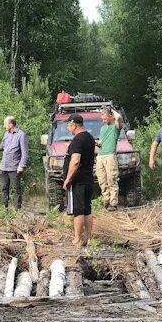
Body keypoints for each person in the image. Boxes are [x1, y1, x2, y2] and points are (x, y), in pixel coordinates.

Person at [0, 116, 29, 210]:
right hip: (4, 166)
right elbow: (2, 146)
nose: (4, 126)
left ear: (11, 124)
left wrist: (21, 165)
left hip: (15, 167)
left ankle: (17, 210)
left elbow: (25, 152)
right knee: (4, 188)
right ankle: (4, 209)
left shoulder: (21, 135)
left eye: (5, 124)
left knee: (16, 189)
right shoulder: (6, 134)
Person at [62, 113, 96, 247]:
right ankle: (89, 239)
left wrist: (68, 179)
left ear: (74, 125)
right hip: (88, 178)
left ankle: (77, 239)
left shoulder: (77, 140)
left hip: (78, 180)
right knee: (87, 209)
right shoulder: (89, 138)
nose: (68, 129)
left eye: (68, 126)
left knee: (78, 210)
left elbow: (75, 161)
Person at [95, 106, 123, 211]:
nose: (103, 120)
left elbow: (119, 118)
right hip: (100, 155)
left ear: (111, 116)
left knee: (112, 179)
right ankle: (106, 200)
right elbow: (101, 143)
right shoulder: (103, 128)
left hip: (110, 155)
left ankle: (113, 203)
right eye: (102, 118)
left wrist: (112, 110)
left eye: (105, 117)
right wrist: (95, 143)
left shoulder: (115, 127)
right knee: (102, 179)